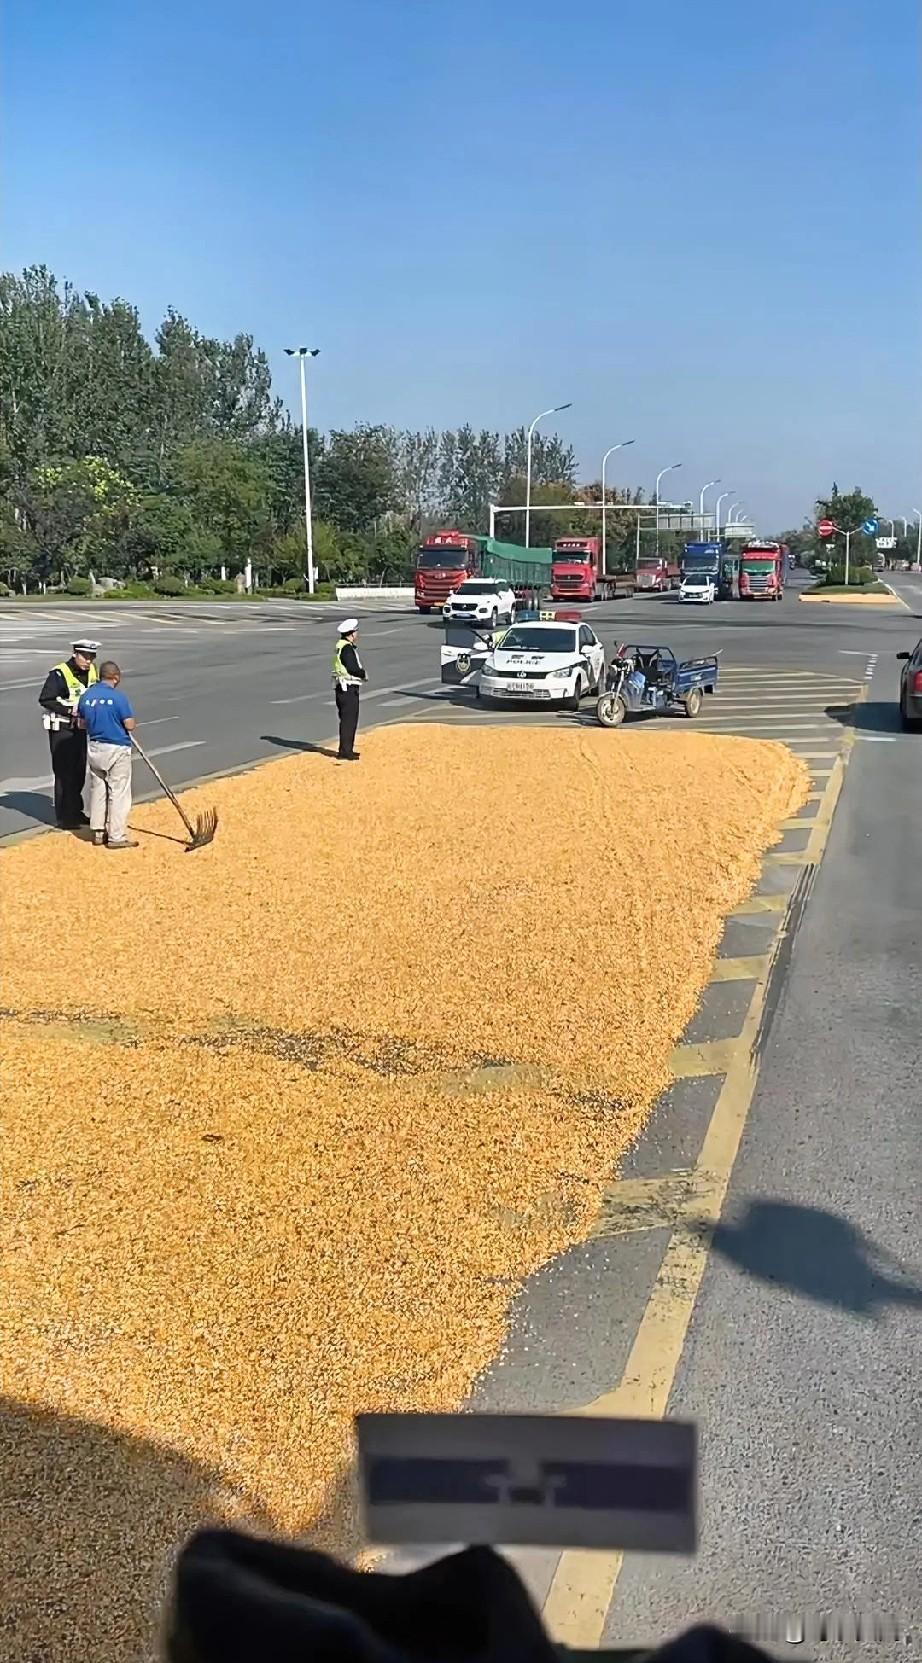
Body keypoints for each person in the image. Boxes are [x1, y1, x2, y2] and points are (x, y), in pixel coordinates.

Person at [38, 639, 100, 829]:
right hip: (62, 728)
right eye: (85, 656)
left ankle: (75, 811)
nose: (88, 661)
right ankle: (65, 817)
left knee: (79, 771)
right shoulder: (59, 673)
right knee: (64, 773)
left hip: (80, 727)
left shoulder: (91, 671)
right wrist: (69, 710)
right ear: (75, 654)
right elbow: (45, 699)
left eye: (91, 657)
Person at [76, 661, 138, 849]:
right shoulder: (118, 698)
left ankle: (97, 831)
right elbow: (129, 724)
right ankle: (116, 836)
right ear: (116, 677)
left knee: (98, 789)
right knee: (118, 792)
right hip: (116, 748)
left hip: (95, 747)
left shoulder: (86, 696)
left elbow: (81, 724)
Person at [331, 619, 366, 761]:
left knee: (345, 719)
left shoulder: (340, 645)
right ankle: (346, 752)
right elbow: (352, 667)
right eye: (356, 631)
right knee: (349, 720)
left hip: (341, 687)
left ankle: (345, 749)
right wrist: (363, 673)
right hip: (348, 687)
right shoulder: (347, 648)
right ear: (351, 634)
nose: (357, 634)